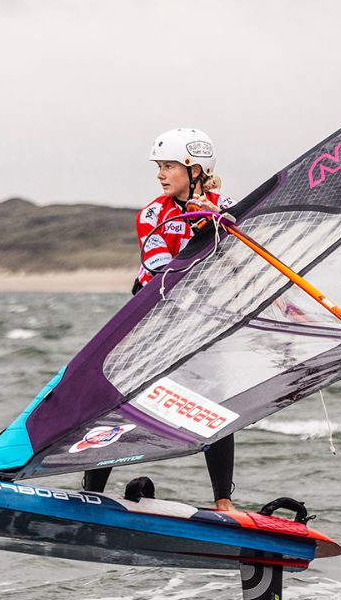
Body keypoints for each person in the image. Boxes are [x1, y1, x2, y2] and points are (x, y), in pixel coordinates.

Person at [83, 128, 238, 510]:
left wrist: (223, 231)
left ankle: (223, 500)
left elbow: (238, 267)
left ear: (195, 169)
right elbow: (160, 268)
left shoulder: (229, 207)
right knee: (117, 399)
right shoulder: (154, 214)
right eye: (159, 166)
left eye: (168, 166)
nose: (160, 174)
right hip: (154, 318)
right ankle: (92, 494)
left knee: (213, 403)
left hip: (205, 322)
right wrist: (200, 239)